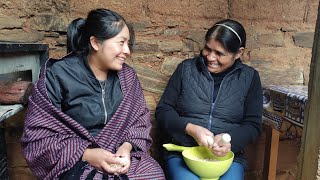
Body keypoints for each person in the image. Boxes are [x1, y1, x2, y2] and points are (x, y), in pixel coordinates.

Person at [21, 8, 165, 179]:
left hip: (118, 156)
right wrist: (88, 154)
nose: (127, 50)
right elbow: (39, 138)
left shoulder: (128, 77)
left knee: (153, 174)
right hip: (74, 159)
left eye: (128, 43)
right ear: (95, 43)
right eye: (121, 42)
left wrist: (126, 148)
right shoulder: (58, 75)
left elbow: (139, 121)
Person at [155, 19, 263, 180]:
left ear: (239, 53)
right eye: (207, 48)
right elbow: (163, 111)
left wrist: (229, 140)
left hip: (227, 157)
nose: (210, 57)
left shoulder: (249, 78)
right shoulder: (186, 69)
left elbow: (253, 125)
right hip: (183, 152)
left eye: (219, 53)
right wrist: (190, 128)